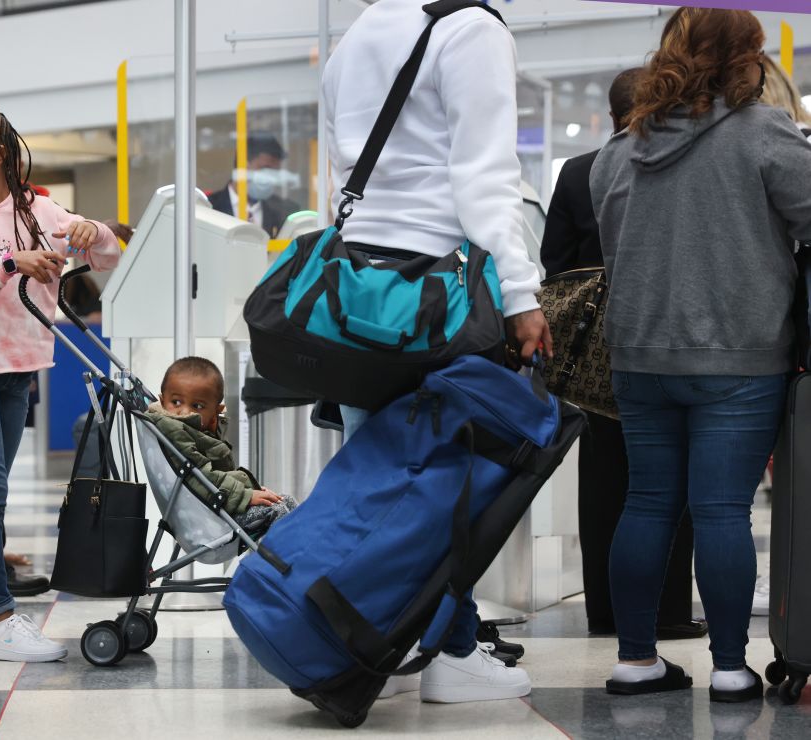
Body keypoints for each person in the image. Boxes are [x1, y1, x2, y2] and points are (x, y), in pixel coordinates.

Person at [323, 0, 551, 704]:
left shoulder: (362, 29)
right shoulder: (471, 28)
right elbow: (484, 175)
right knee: (448, 479)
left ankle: (371, 641)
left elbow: (343, 162)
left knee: (376, 481)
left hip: (358, 286)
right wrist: (520, 292)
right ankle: (451, 651)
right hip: (433, 291)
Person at [591, 8, 811, 702]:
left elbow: (613, 247)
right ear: (748, 56)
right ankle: (727, 666)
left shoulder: (621, 149)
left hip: (639, 355)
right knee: (720, 511)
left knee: (648, 502)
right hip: (737, 356)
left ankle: (634, 659)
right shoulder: (765, 133)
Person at [0, 106, 121, 662]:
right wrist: (14, 264)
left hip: (19, 369)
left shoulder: (39, 207)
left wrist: (94, 231)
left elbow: (106, 254)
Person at [540, 69, 705, 642]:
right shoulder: (678, 164)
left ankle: (604, 610)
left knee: (604, 478)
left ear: (608, 116)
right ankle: (667, 610)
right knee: (668, 478)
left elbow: (554, 265)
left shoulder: (579, 171)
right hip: (666, 332)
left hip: (595, 349)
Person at [750, 56, 811, 619]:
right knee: (790, 466)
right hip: (795, 331)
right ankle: (786, 574)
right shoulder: (791, 146)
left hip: (754, 330)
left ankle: (778, 577)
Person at [146, 357, 298, 531]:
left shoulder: (190, 430)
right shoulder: (172, 430)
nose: (185, 411)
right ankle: (290, 558)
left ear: (215, 412)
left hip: (218, 503)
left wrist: (250, 488)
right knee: (279, 511)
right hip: (209, 516)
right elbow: (199, 479)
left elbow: (214, 470)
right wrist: (245, 495)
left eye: (197, 405)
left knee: (287, 502)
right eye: (176, 402)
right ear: (162, 399)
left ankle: (301, 556)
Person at [208, 133, 302, 239]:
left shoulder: (287, 212)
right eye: (264, 169)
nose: (270, 178)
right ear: (242, 166)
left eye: (274, 172)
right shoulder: (208, 209)